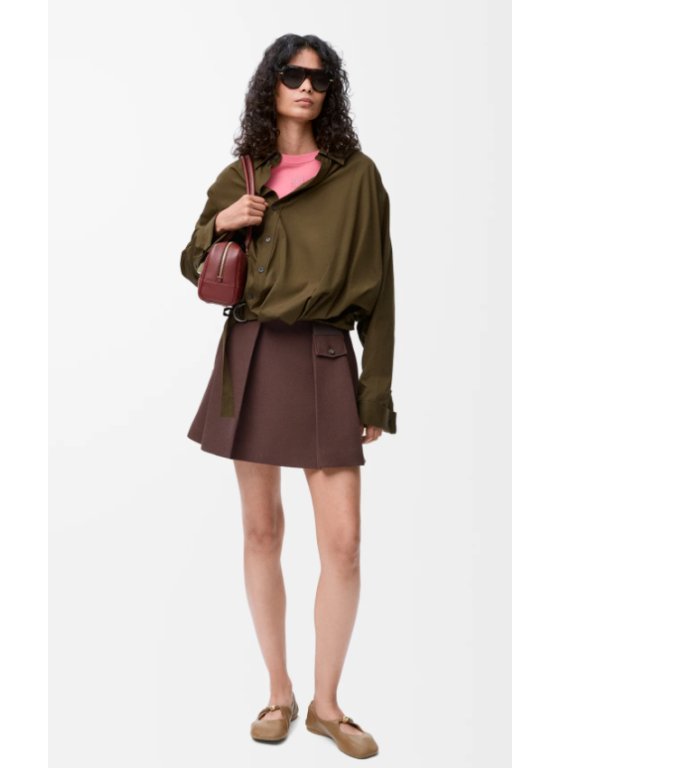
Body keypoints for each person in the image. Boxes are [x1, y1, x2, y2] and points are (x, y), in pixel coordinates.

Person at [178, 33, 396, 760]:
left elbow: (383, 292)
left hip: (327, 356)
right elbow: (193, 264)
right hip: (253, 354)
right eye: (293, 74)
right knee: (262, 532)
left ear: (332, 93)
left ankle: (328, 706)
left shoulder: (357, 177)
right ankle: (280, 693)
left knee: (344, 543)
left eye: (320, 78)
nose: (307, 87)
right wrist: (221, 223)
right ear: (270, 84)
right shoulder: (241, 175)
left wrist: (374, 392)